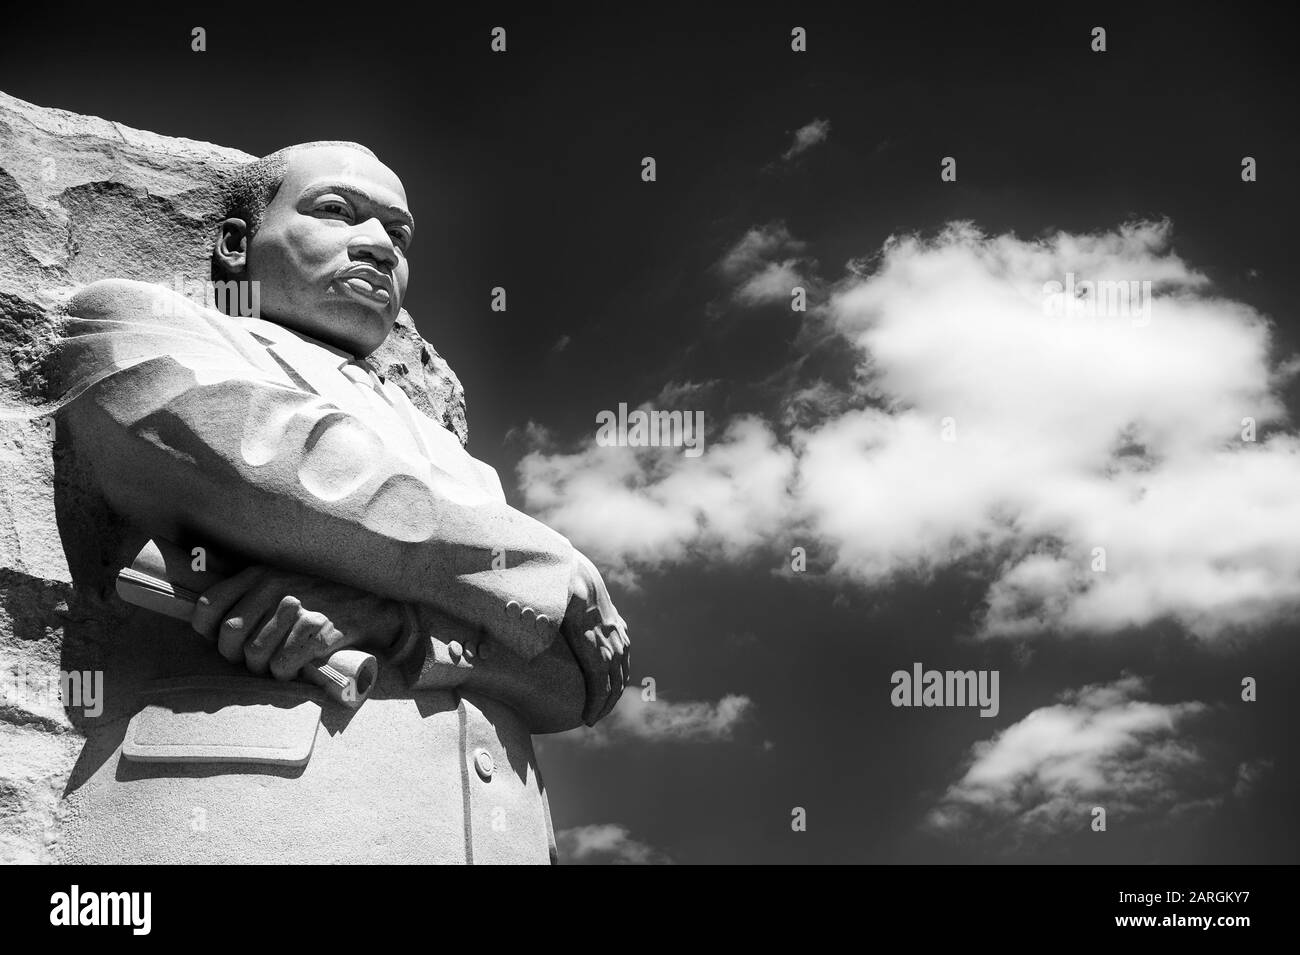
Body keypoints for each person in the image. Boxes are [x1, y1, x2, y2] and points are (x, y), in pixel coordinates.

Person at [52, 141, 629, 864]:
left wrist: (396, 625)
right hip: (253, 823)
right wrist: (543, 563)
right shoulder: (137, 325)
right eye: (337, 211)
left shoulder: (467, 469)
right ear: (237, 245)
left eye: (399, 233)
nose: (380, 247)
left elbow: (584, 679)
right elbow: (264, 461)